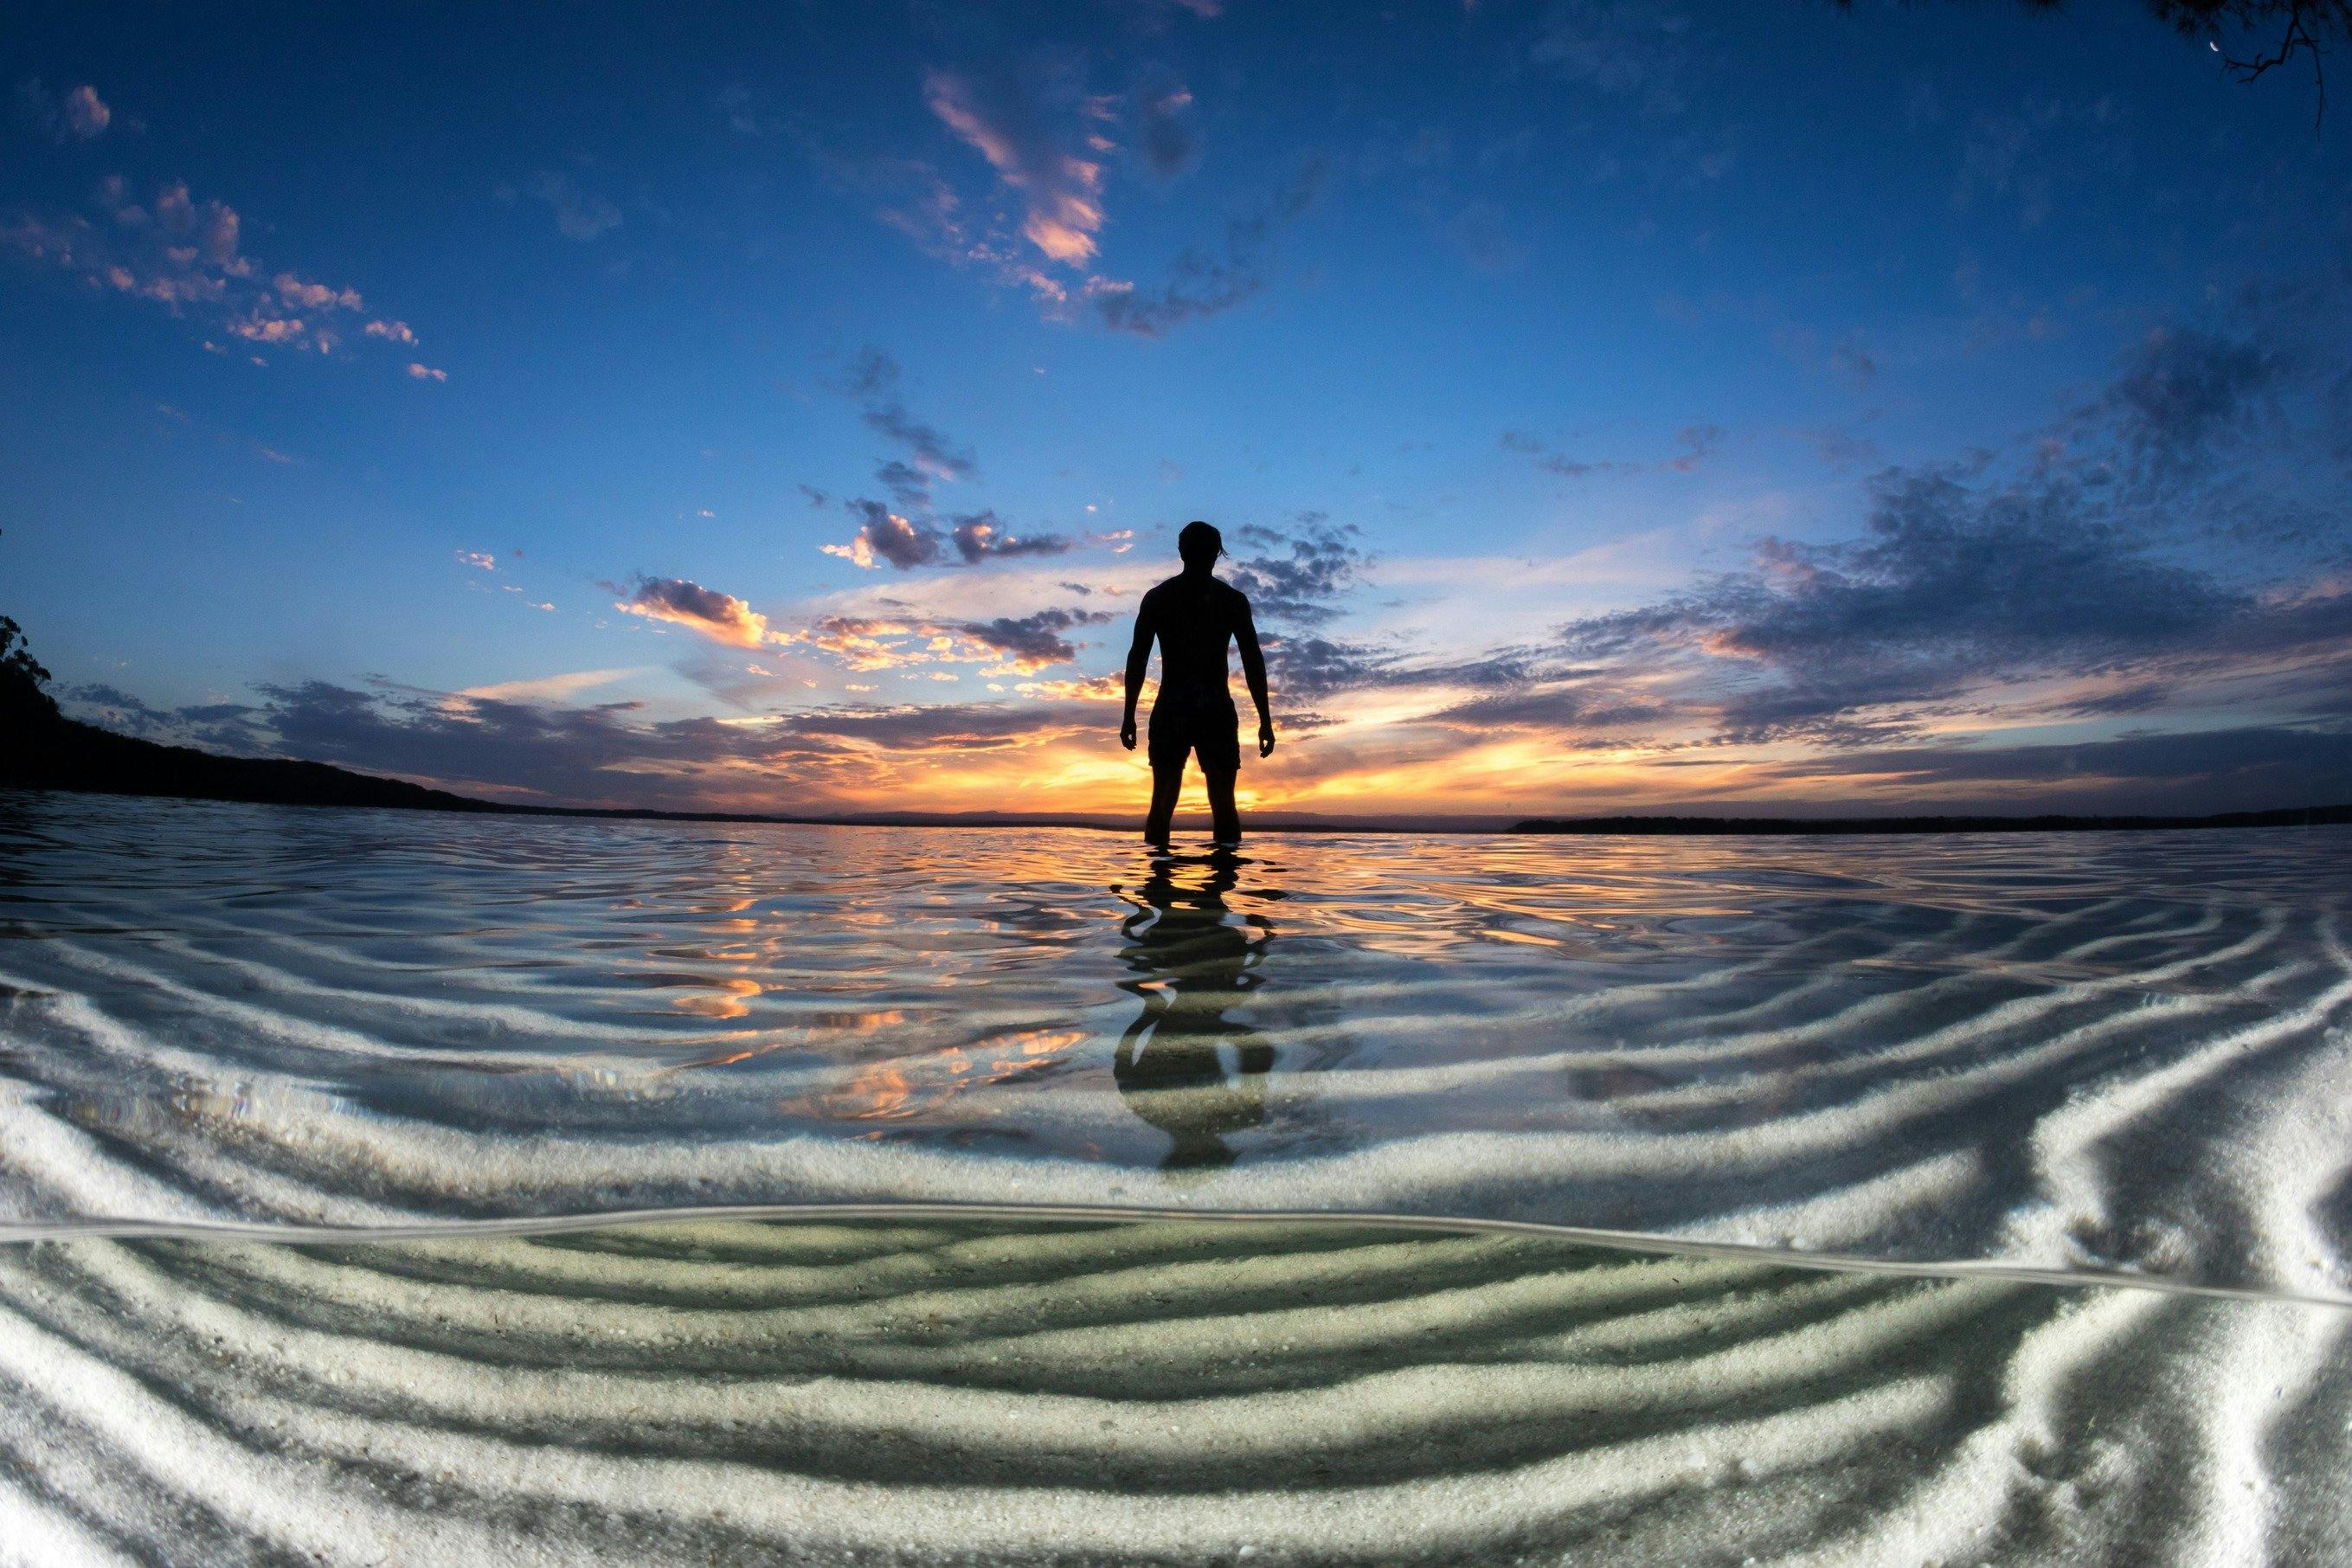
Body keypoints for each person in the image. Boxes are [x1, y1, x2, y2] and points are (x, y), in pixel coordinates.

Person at [1119, 520, 1274, 845]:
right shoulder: (1231, 600)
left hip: (1174, 706)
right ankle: (1222, 875)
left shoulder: (1159, 598)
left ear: (1181, 552)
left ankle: (1159, 875)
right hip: (1213, 707)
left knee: (1162, 802)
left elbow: (1137, 660)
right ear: (1217, 554)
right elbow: (1253, 662)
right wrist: (1265, 720)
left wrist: (1129, 715)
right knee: (1223, 805)